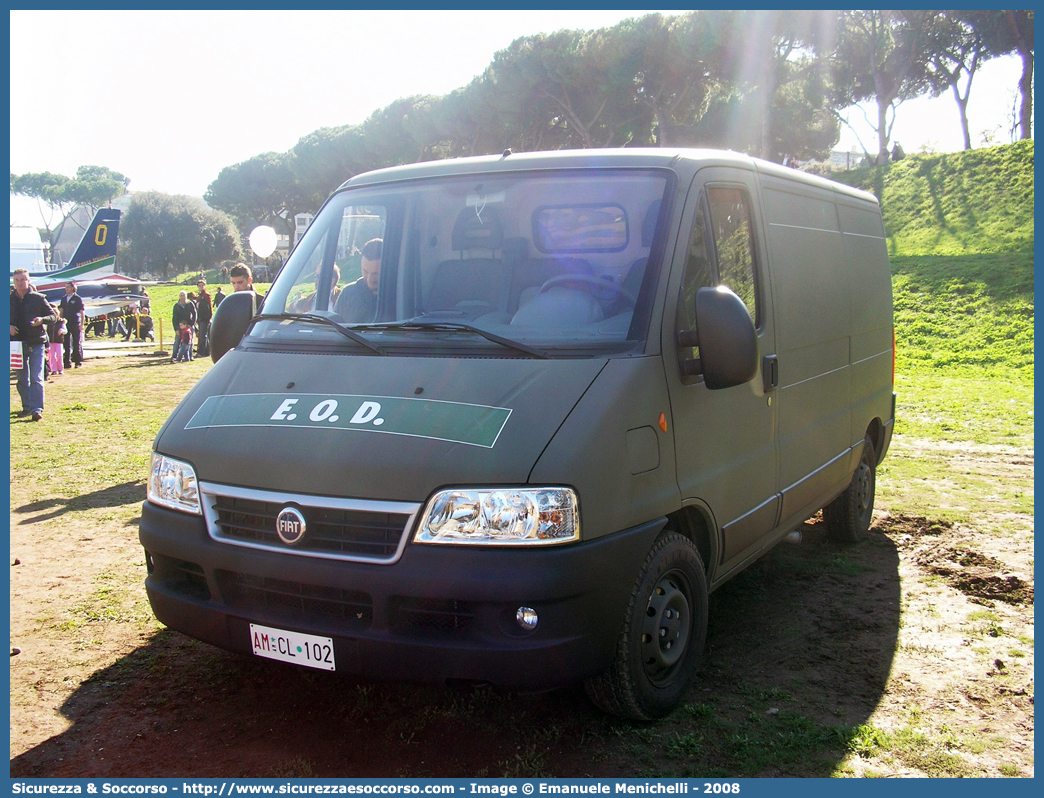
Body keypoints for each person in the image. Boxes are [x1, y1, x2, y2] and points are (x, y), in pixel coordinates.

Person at [10, 269, 56, 421]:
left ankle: (37, 409)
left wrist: (42, 320)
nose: (19, 283)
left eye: (22, 279)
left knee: (36, 376)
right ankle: (27, 407)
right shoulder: (9, 299)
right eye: (16, 280)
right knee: (22, 378)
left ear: (28, 281)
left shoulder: (38, 298)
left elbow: (53, 316)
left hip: (36, 341)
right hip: (17, 344)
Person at [334, 238, 381, 323]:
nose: (369, 279)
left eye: (375, 274)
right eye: (365, 272)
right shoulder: (348, 294)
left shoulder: (401, 296)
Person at [59, 281, 85, 369]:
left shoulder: (77, 298)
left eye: (68, 287)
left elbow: (82, 312)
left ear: (73, 288)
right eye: (65, 287)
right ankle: (67, 362)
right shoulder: (63, 298)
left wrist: (82, 324)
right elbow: (61, 310)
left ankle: (78, 362)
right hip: (66, 323)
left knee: (76, 343)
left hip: (75, 322)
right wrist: (60, 321)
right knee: (66, 343)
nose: (66, 289)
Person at [170, 290, 197, 363]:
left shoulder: (190, 304)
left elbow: (194, 314)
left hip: (188, 326)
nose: (182, 297)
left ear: (186, 296)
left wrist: (191, 324)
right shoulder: (176, 306)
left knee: (190, 342)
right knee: (177, 341)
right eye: (181, 296)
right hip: (179, 326)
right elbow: (174, 318)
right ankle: (174, 356)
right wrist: (176, 329)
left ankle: (190, 356)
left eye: (183, 295)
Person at [45, 303, 66, 378]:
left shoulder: (61, 322)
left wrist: (61, 331)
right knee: (52, 356)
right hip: (51, 341)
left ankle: (60, 368)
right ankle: (53, 369)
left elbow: (65, 330)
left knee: (59, 355)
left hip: (59, 341)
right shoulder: (49, 323)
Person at [195, 278, 213, 357]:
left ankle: (202, 352)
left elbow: (209, 307)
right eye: (199, 285)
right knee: (203, 335)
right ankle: (207, 351)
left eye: (202, 285)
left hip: (205, 318)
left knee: (203, 336)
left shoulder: (206, 295)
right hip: (200, 317)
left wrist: (209, 317)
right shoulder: (199, 295)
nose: (201, 287)